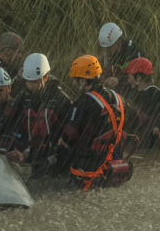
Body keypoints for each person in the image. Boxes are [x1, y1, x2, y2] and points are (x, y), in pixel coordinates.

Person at [59, 55, 138, 191]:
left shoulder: (82, 103)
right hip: (113, 172)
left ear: (83, 81)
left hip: (87, 173)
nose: (73, 83)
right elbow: (137, 120)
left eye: (74, 80)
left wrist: (60, 142)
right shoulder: (118, 98)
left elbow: (69, 137)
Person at [3, 53, 72, 177]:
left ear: (46, 77)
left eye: (34, 82)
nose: (30, 86)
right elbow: (8, 124)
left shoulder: (61, 100)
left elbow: (69, 138)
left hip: (55, 156)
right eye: (27, 81)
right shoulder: (23, 98)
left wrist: (27, 154)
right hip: (31, 153)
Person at [125, 57, 160, 148]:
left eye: (129, 77)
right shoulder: (138, 93)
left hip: (151, 140)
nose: (128, 80)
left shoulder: (154, 92)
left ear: (138, 77)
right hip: (142, 137)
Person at [98, 22, 143, 98]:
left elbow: (140, 76)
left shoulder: (133, 51)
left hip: (134, 93)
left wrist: (119, 80)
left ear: (118, 43)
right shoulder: (107, 54)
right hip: (116, 94)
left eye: (109, 47)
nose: (106, 51)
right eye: (104, 48)